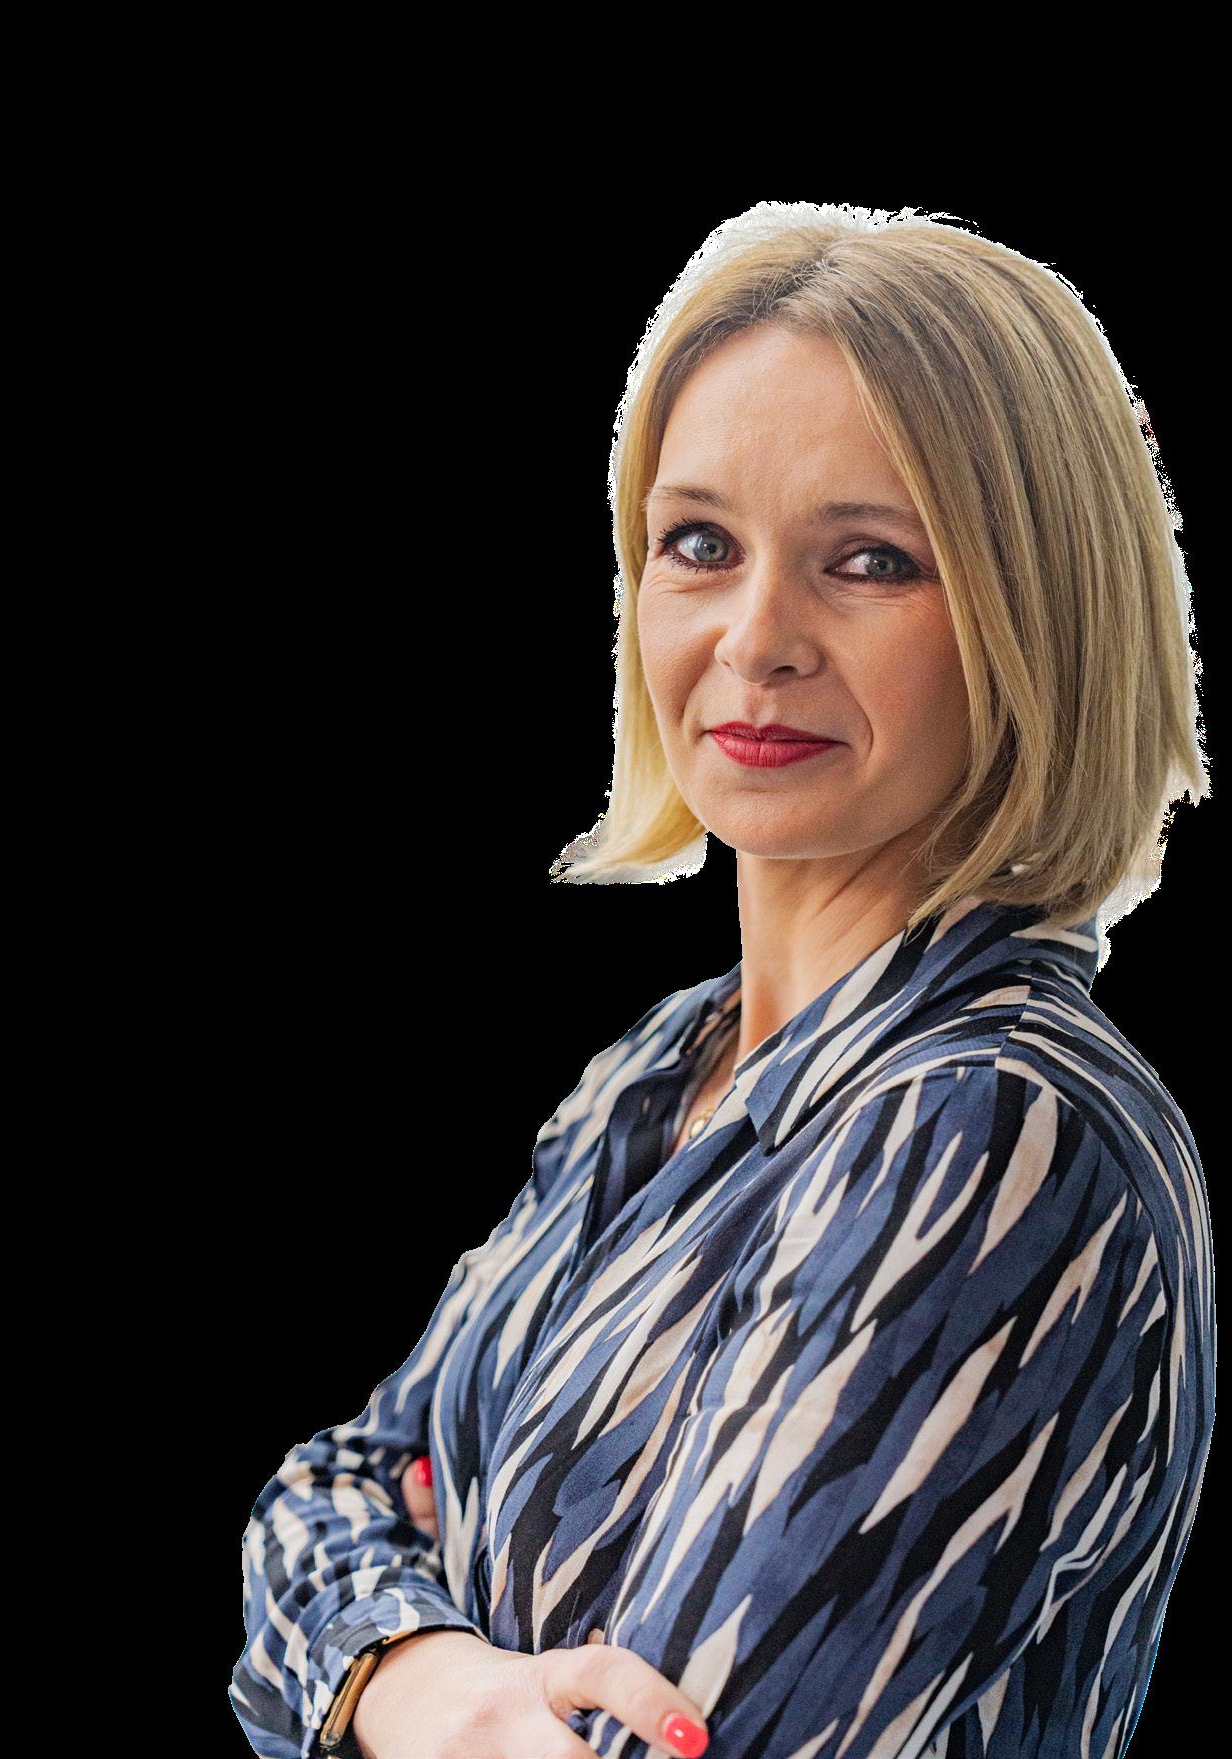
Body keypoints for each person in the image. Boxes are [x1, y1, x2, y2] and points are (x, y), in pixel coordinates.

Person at [230, 202, 1214, 1759]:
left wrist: (379, 1660)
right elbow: (323, 1491)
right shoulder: (653, 1073)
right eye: (698, 544)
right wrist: (434, 1681)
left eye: (870, 562)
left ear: (1037, 612)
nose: (756, 639)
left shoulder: (986, 1127)